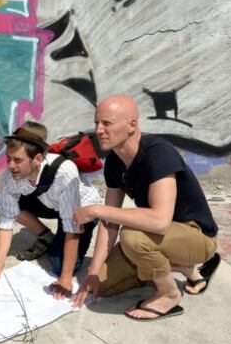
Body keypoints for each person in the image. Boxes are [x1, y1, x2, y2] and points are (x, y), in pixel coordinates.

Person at [71, 94, 220, 321]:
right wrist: (92, 272)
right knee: (102, 284)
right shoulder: (114, 162)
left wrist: (96, 209)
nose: (99, 130)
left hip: (196, 235)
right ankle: (179, 267)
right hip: (159, 237)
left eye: (107, 123)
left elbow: (159, 221)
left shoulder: (158, 153)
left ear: (131, 125)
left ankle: (169, 294)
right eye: (97, 123)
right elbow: (109, 223)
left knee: (133, 237)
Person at [0, 121, 102, 295]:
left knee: (60, 266)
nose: (11, 165)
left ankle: (74, 238)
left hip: (81, 208)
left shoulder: (65, 172)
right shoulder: (10, 176)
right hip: (50, 202)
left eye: (18, 160)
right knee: (2, 200)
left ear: (37, 159)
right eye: (8, 158)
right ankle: (46, 236)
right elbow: (6, 224)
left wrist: (66, 279)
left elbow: (71, 229)